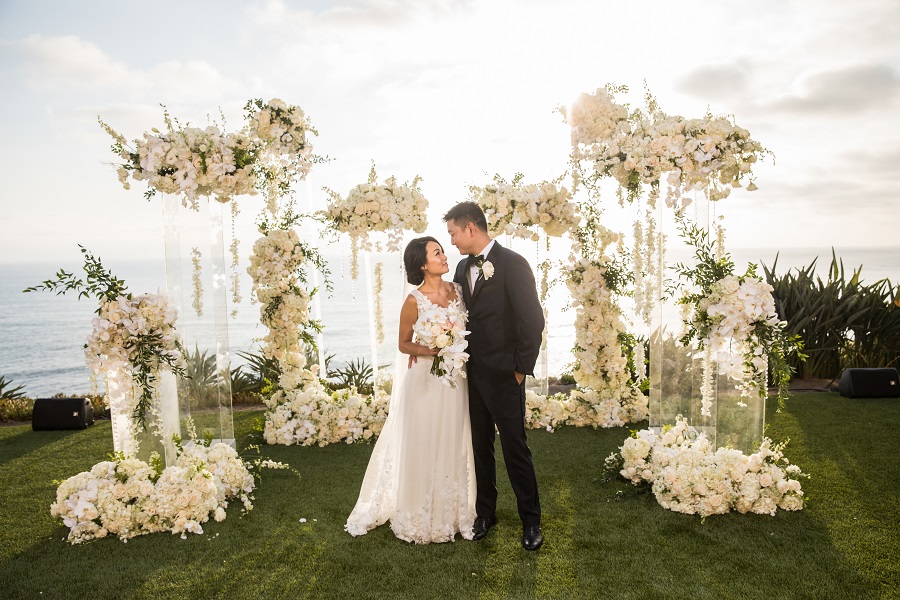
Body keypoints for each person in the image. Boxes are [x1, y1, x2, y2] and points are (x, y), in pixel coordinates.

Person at [345, 236, 476, 544]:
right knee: (425, 442)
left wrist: (452, 347)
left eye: (443, 251)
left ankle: (453, 513)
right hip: (426, 381)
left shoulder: (457, 290)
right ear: (422, 263)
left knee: (452, 440)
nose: (444, 256)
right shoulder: (413, 301)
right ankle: (419, 515)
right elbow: (403, 344)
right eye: (437, 253)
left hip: (456, 381)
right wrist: (434, 348)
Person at [443, 202, 546, 551]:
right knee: (479, 447)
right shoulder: (461, 267)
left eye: (454, 233)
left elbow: (532, 321)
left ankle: (531, 520)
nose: (453, 241)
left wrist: (519, 370)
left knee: (515, 447)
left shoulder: (513, 264)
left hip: (506, 375)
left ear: (471, 228)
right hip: (471, 374)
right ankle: (485, 513)